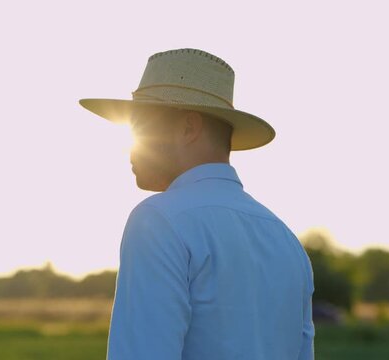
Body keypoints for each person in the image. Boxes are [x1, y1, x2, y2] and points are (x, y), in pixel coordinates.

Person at [80, 48, 314, 360]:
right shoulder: (286, 241)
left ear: (189, 127)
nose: (130, 147)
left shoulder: (158, 221)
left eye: (141, 125)